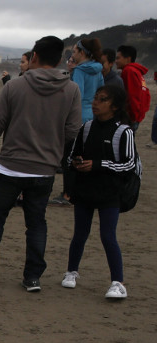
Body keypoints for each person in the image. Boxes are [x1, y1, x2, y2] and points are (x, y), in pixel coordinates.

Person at [0, 36, 81, 291]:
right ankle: (32, 277)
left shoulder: (14, 86)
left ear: (34, 57)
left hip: (10, 166)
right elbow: (73, 131)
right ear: (60, 59)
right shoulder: (71, 89)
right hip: (45, 168)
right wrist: (55, 153)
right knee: (36, 222)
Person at [61, 85, 139, 299]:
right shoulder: (86, 128)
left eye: (102, 100)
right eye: (95, 98)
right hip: (85, 189)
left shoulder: (124, 131)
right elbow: (70, 157)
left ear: (114, 106)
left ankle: (117, 283)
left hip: (110, 193)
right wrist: (76, 163)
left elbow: (129, 165)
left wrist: (98, 164)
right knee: (80, 234)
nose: (95, 103)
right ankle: (71, 272)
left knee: (108, 235)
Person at [115, 45, 151, 132]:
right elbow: (145, 94)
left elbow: (132, 95)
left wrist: (133, 117)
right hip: (137, 116)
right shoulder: (137, 71)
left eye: (118, 58)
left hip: (130, 117)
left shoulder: (129, 71)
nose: (116, 61)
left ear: (128, 58)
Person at [68, 38, 104, 122]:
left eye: (74, 52)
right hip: (94, 114)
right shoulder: (98, 69)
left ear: (82, 52)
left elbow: (77, 95)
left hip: (80, 115)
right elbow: (101, 90)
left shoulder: (79, 70)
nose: (72, 56)